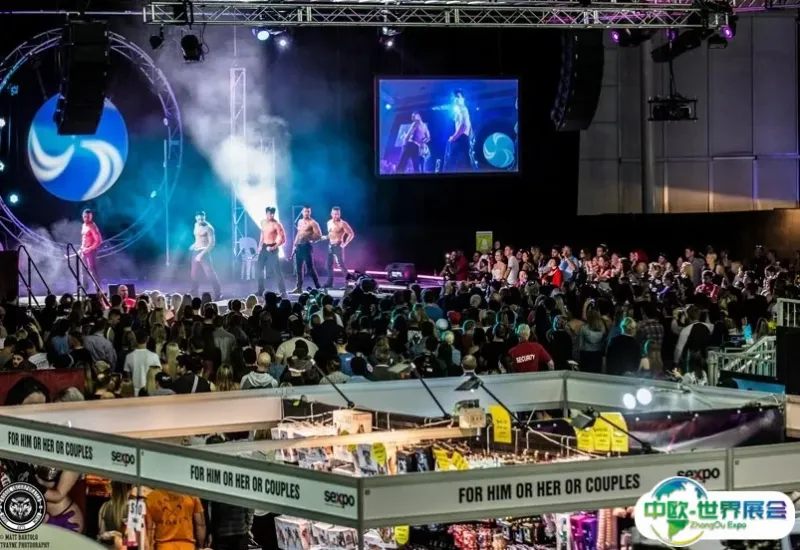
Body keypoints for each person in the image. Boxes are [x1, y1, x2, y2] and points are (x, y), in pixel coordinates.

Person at [256, 207, 287, 297]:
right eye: (270, 213)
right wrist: (259, 246)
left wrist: (273, 247)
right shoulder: (263, 222)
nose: (272, 215)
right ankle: (260, 290)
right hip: (264, 247)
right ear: (266, 213)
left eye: (273, 214)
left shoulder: (276, 224)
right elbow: (262, 234)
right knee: (259, 269)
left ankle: (283, 291)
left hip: (272, 247)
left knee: (277, 270)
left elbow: (283, 239)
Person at [190, 210, 221, 299]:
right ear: (196, 218)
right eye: (199, 219)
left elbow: (212, 243)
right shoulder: (195, 225)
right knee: (194, 274)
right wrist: (194, 245)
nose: (200, 221)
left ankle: (218, 294)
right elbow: (197, 238)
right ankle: (194, 294)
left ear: (204, 217)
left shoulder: (209, 228)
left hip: (204, 252)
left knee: (210, 274)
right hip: (196, 251)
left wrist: (201, 255)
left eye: (202, 219)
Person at [291, 206, 322, 293]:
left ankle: (318, 287)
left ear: (310, 212)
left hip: (306, 246)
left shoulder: (313, 223)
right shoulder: (300, 221)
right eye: (305, 211)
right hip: (299, 247)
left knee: (310, 268)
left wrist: (309, 237)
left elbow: (319, 235)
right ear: (302, 212)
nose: (307, 213)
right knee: (298, 269)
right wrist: (294, 245)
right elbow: (298, 234)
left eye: (308, 211)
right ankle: (299, 288)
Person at [443, 89, 474, 173]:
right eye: (455, 97)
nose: (456, 99)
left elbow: (464, 125)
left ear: (463, 98)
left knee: (451, 162)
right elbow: (468, 125)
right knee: (465, 162)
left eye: (458, 96)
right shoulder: (462, 109)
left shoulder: (462, 108)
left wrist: (454, 137)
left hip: (461, 137)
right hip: (464, 138)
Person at [324, 207, 355, 289]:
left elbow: (351, 234)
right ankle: (330, 283)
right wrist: (323, 237)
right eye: (335, 214)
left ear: (340, 214)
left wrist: (345, 243)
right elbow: (330, 234)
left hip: (338, 246)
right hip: (330, 246)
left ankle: (348, 283)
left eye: (338, 214)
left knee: (340, 265)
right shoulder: (328, 222)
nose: (336, 215)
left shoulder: (342, 223)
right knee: (328, 265)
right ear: (331, 214)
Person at [123, 329, 160, 395]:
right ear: (147, 339)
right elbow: (158, 373)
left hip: (135, 392)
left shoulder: (128, 356)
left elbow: (128, 377)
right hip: (150, 391)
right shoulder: (154, 356)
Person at [78, 208, 103, 290]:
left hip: (91, 252)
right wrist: (81, 248)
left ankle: (98, 290)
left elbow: (99, 241)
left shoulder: (93, 227)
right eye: (85, 217)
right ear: (82, 216)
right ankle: (84, 290)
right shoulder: (83, 225)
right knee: (83, 270)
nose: (86, 218)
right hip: (84, 251)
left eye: (88, 217)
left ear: (91, 217)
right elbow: (84, 239)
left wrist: (89, 249)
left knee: (92, 270)